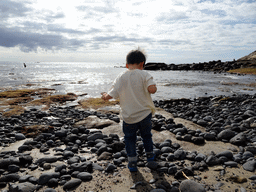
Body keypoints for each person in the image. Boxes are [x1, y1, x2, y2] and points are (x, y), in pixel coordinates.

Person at [101, 49, 157, 172]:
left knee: (129, 138)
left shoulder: (121, 76)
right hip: (145, 114)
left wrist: (105, 96)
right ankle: (150, 157)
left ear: (127, 65)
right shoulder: (145, 74)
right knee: (147, 136)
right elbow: (152, 89)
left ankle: (132, 162)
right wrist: (152, 87)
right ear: (142, 64)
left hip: (129, 116)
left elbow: (112, 95)